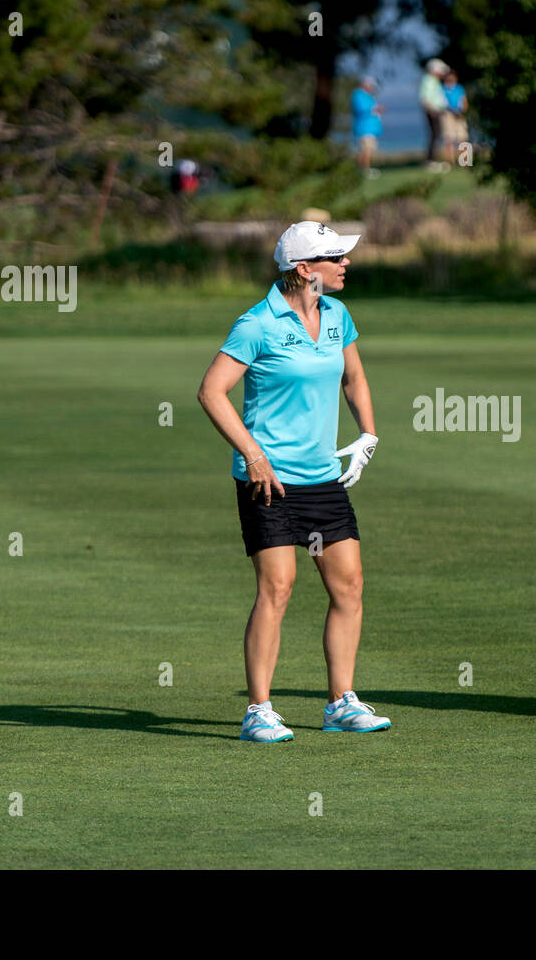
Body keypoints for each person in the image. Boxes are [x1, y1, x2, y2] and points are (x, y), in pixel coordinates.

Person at [197, 221, 390, 743]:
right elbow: (212, 391)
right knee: (277, 588)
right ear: (304, 269)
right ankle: (258, 709)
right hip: (269, 481)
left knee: (349, 586)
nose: (345, 263)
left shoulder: (337, 315)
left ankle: (341, 702)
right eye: (334, 257)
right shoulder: (256, 324)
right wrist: (253, 455)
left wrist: (368, 433)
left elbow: (354, 377)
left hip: (323, 478)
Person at [351, 76, 385, 179]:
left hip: (371, 127)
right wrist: (376, 109)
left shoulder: (367, 96)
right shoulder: (358, 95)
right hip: (365, 127)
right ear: (365, 84)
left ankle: (362, 170)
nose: (372, 88)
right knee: (366, 150)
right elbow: (362, 109)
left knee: (367, 150)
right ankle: (365, 170)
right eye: (371, 85)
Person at [419, 58, 449, 171]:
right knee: (434, 134)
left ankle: (433, 160)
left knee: (436, 135)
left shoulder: (434, 80)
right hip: (433, 111)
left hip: (437, 111)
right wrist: (431, 110)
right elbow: (425, 98)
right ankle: (430, 161)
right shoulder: (428, 80)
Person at [440, 70, 469, 167]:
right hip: (447, 114)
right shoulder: (443, 89)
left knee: (463, 137)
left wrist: (462, 111)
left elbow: (464, 100)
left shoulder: (459, 88)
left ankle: (465, 162)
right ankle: (450, 162)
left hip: (460, 114)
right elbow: (441, 102)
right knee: (449, 138)